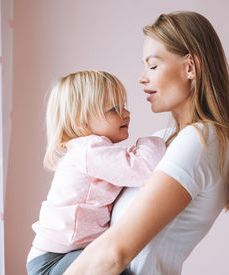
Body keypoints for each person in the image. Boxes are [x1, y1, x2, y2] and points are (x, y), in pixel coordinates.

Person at [64, 11, 229, 275]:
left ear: (190, 67)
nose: (142, 78)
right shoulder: (161, 140)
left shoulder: (200, 141)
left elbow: (115, 253)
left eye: (153, 66)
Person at [26, 70, 166, 275]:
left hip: (62, 255)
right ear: (81, 122)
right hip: (51, 262)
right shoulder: (88, 150)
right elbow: (143, 168)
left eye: (124, 106)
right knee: (117, 268)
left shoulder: (91, 151)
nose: (126, 113)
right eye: (114, 109)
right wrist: (155, 140)